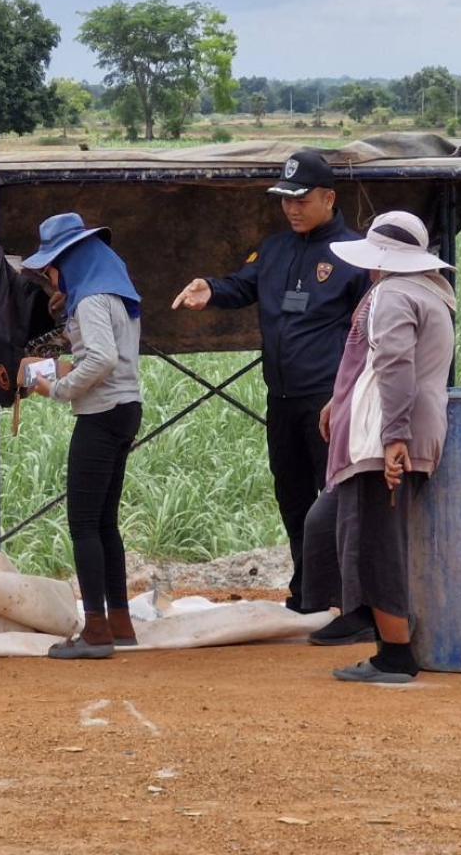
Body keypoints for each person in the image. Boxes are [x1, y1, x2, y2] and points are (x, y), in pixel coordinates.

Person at [171, 149, 368, 611]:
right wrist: (211, 288)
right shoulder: (275, 249)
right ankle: (309, 591)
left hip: (328, 401)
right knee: (293, 497)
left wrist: (350, 395)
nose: (292, 208)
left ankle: (350, 597)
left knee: (337, 499)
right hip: (281, 400)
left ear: (328, 197)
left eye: (301, 199)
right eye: (285, 199)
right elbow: (242, 284)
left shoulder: (354, 255)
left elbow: (371, 332)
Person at [313, 211, 456, 684]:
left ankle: (394, 656)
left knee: (377, 543)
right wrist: (340, 401)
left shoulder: (392, 295)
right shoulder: (428, 292)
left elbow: (394, 364)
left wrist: (394, 436)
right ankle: (382, 643)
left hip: (383, 436)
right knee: (374, 537)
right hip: (401, 428)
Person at [19, 212, 143, 660]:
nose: (51, 277)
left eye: (51, 267)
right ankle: (120, 620)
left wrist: (58, 389)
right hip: (127, 408)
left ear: (68, 260)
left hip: (101, 411)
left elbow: (100, 359)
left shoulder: (90, 300)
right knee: (106, 522)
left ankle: (95, 630)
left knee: (84, 525)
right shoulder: (113, 292)